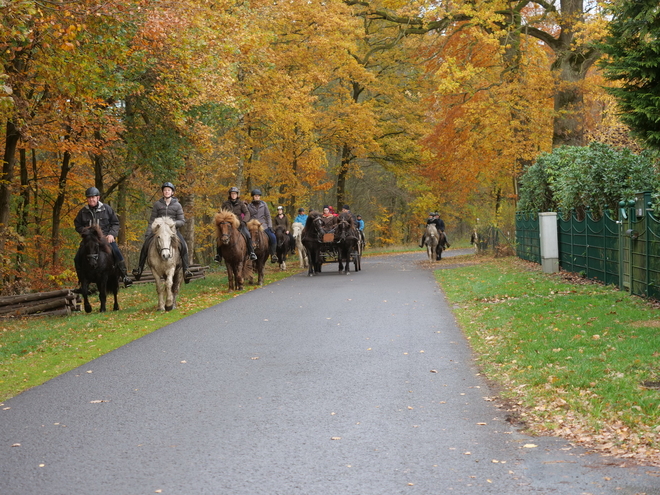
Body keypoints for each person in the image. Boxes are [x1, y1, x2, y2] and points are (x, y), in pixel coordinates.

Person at [132, 182, 193, 283]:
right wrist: (148, 234)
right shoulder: (157, 204)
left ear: (172, 192)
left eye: (169, 190)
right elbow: (152, 220)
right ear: (163, 192)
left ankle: (186, 270)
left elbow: (182, 221)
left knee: (183, 245)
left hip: (172, 231)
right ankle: (139, 269)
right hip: (159, 231)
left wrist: (172, 223)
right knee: (145, 246)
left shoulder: (177, 205)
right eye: (165, 190)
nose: (167, 192)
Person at [74, 187, 132, 287]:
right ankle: (81, 281)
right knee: (77, 257)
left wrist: (111, 234)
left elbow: (115, 223)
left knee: (116, 252)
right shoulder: (83, 212)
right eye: (89, 198)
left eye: (93, 197)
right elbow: (77, 225)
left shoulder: (106, 209)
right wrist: (85, 232)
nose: (91, 200)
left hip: (105, 238)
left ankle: (124, 276)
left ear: (98, 197)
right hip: (89, 240)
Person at [217, 187, 258, 262]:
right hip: (228, 226)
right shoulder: (225, 204)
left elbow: (247, 213)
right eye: (232, 194)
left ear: (237, 195)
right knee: (219, 237)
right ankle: (218, 255)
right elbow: (220, 213)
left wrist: (244, 221)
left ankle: (251, 252)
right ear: (230, 194)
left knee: (248, 235)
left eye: (235, 194)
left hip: (240, 224)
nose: (233, 195)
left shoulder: (241, 203)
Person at [246, 188, 278, 263]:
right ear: (253, 197)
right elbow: (248, 216)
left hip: (263, 225)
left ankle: (273, 254)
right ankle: (247, 254)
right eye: (255, 196)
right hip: (253, 226)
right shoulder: (249, 206)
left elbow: (268, 216)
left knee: (273, 237)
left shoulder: (264, 205)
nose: (257, 197)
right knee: (246, 237)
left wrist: (270, 225)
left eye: (258, 196)